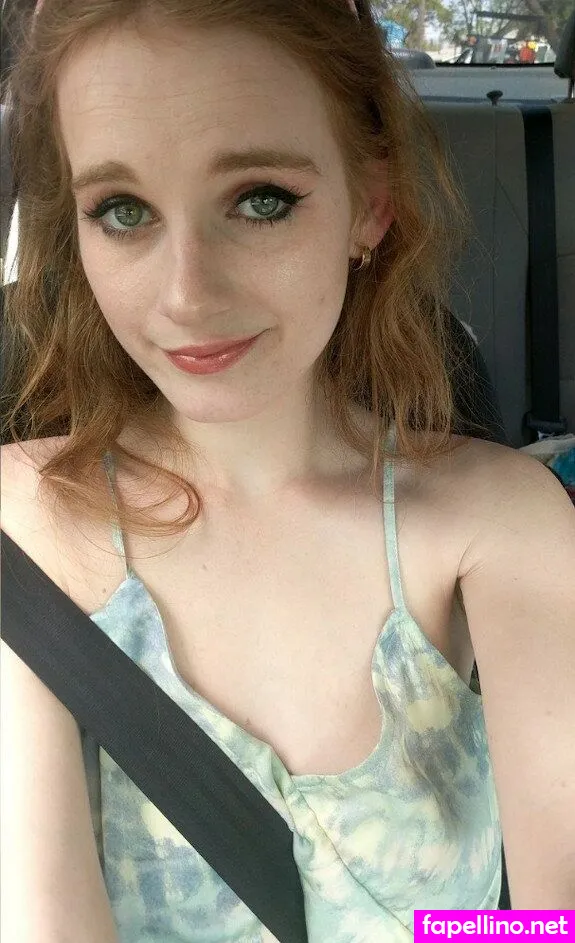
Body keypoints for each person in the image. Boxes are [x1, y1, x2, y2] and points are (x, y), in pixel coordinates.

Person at [1, 1, 574, 941]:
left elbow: (553, 920)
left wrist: (444, 933)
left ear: (370, 205)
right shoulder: (23, 525)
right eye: (123, 211)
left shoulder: (500, 522)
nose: (186, 294)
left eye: (260, 198)